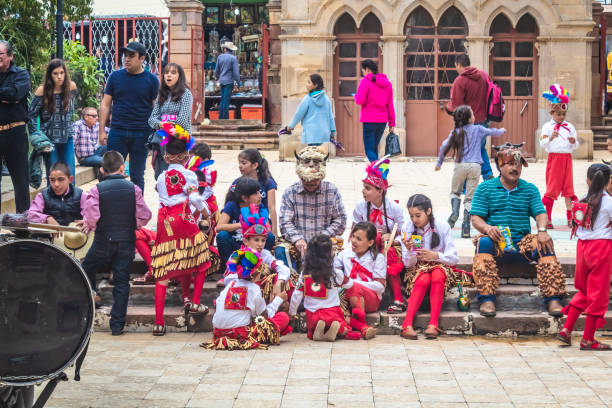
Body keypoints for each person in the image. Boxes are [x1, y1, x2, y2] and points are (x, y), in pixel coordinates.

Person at [469, 143, 566, 317]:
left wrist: (542, 231)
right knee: (482, 242)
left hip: (522, 244)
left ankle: (553, 298)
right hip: (496, 244)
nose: (515, 168)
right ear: (500, 165)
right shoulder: (485, 188)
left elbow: (540, 213)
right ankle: (486, 299)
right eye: (510, 164)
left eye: (518, 164)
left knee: (545, 243)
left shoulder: (529, 189)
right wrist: (487, 228)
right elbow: (475, 217)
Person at [150, 123, 212, 336]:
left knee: (164, 267)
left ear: (166, 157)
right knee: (202, 260)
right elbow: (195, 198)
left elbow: (161, 201)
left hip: (165, 221)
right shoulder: (189, 175)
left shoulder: (160, 178)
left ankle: (159, 323)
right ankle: (194, 302)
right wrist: (206, 214)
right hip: (183, 218)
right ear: (186, 156)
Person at [81, 151, 152, 336]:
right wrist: (133, 224)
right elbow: (145, 216)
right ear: (123, 167)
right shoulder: (133, 188)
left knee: (86, 267)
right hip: (126, 241)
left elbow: (91, 217)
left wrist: (89, 225)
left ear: (102, 170)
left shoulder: (97, 190)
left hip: (103, 240)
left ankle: (90, 300)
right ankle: (117, 325)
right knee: (122, 282)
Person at [556, 164, 612, 350]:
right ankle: (588, 339)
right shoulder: (609, 202)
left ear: (588, 180)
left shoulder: (581, 202)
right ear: (608, 181)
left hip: (583, 249)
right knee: (598, 295)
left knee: (585, 291)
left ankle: (566, 330)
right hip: (601, 248)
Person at [399, 194, 470, 340]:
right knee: (424, 279)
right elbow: (407, 264)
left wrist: (436, 256)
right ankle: (407, 325)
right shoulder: (407, 227)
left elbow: (453, 258)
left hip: (440, 266)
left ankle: (433, 324)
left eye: (418, 215)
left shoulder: (442, 226)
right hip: (417, 268)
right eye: (411, 216)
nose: (414, 220)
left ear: (428, 211)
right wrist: (410, 251)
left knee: (437, 275)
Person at [435, 105, 506, 238]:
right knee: (470, 198)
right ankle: (466, 227)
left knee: (455, 192)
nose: (474, 116)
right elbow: (492, 132)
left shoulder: (456, 131)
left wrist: (439, 163)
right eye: (472, 114)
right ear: (469, 118)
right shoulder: (478, 129)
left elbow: (444, 146)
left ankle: (454, 214)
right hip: (475, 167)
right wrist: (502, 130)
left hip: (460, 166)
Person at [201, 248, 291, 350]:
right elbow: (263, 318)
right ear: (256, 272)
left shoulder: (231, 284)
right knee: (283, 317)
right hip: (240, 336)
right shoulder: (254, 289)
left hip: (218, 334)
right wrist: (278, 300)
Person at [99, 41, 159, 191]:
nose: (127, 59)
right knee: (110, 172)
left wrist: (156, 133)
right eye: (125, 55)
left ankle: (137, 212)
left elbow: (156, 108)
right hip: (117, 130)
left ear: (142, 58)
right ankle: (109, 208)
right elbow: (105, 104)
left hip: (141, 133)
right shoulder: (115, 77)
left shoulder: (152, 80)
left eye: (132, 56)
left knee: (137, 175)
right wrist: (101, 131)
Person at [276, 146, 347, 269]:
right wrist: (298, 239)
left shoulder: (332, 190)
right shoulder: (290, 192)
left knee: (340, 256)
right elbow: (284, 222)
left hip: (324, 242)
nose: (310, 184)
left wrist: (322, 238)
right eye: (305, 181)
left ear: (321, 177)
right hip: (298, 244)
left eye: (314, 181)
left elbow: (341, 220)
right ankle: (291, 285)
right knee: (281, 251)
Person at [352, 155, 405, 313]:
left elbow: (405, 233)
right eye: (363, 187)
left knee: (389, 258)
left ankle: (398, 299)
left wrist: (392, 238)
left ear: (380, 191)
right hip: (366, 246)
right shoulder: (360, 207)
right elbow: (354, 231)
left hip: (389, 248)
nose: (363, 191)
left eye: (368, 188)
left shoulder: (394, 209)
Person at [289, 235, 361, 341]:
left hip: (312, 315)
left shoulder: (304, 274)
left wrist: (292, 312)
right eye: (332, 249)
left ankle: (316, 331)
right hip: (331, 313)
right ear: (327, 255)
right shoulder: (335, 273)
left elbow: (297, 294)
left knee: (313, 329)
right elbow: (349, 284)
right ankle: (337, 331)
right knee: (346, 329)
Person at [28, 58, 78, 181]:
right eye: (55, 73)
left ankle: (71, 200)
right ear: (50, 75)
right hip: (49, 140)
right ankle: (52, 200)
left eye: (61, 73)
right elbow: (31, 115)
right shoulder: (42, 90)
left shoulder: (71, 87)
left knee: (70, 175)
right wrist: (36, 136)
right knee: (53, 175)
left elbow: (71, 111)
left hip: (67, 137)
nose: (59, 76)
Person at [335, 222, 385, 339]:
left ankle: (354, 327)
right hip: (347, 297)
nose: (353, 240)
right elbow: (335, 275)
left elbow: (380, 286)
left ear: (370, 242)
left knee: (354, 287)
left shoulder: (378, 258)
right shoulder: (344, 255)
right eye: (353, 236)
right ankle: (363, 327)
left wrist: (353, 283)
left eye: (359, 239)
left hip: (371, 299)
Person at [446, 54, 492, 180]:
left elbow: (457, 106)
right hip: (483, 121)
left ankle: (466, 186)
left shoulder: (460, 81)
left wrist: (448, 108)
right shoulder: (483, 76)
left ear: (457, 64)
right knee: (480, 149)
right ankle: (488, 175)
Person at [540, 85, 579, 228]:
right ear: (552, 112)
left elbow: (576, 144)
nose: (561, 117)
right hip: (554, 159)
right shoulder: (547, 127)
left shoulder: (570, 126)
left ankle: (570, 218)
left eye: (563, 114)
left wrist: (574, 142)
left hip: (567, 159)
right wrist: (550, 138)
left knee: (569, 190)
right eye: (558, 114)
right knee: (552, 189)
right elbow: (542, 143)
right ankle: (548, 218)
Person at [0, 40, 31, 213]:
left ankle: (23, 227)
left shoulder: (21, 74)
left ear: (10, 56)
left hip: (15, 132)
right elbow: (8, 95)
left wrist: (10, 96)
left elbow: (14, 94)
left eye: (0, 54)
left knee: (20, 180)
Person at [148, 62, 193, 180]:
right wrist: (161, 124)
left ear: (179, 76)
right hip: (161, 143)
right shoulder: (161, 94)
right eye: (166, 73)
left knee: (177, 177)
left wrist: (163, 126)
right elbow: (151, 119)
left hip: (178, 142)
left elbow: (182, 121)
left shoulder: (186, 94)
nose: (169, 76)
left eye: (173, 73)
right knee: (161, 176)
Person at [217, 177, 274, 267]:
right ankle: (228, 268)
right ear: (244, 198)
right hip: (236, 244)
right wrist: (241, 225)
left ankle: (259, 267)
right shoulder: (232, 206)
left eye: (259, 192)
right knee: (222, 236)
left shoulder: (259, 206)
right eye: (255, 193)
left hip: (255, 244)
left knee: (270, 237)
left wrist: (256, 225)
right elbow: (219, 227)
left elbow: (268, 229)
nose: (260, 195)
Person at [354, 60, 395, 162]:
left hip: (369, 120)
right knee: (374, 147)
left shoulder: (365, 82)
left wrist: (355, 96)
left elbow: (360, 100)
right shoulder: (388, 84)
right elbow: (390, 105)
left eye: (363, 70)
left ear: (367, 69)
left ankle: (378, 170)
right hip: (382, 121)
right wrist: (392, 123)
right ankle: (375, 174)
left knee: (369, 149)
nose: (363, 73)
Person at [27, 162, 85, 226]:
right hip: (49, 235)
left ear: (70, 179)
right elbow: (31, 215)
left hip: (74, 234)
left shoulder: (80, 195)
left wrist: (87, 221)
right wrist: (47, 218)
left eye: (61, 179)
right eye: (52, 180)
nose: (56, 184)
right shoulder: (42, 196)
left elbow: (91, 214)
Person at [236, 148, 278, 236]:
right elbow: (231, 204)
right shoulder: (237, 182)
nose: (240, 166)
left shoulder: (268, 182)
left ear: (255, 165)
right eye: (239, 163)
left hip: (262, 221)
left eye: (243, 163)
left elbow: (272, 208)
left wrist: (274, 231)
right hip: (241, 222)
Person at [286, 74, 336, 146]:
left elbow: (298, 114)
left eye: (309, 82)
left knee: (311, 155)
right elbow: (330, 117)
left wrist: (290, 126)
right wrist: (333, 131)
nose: (306, 85)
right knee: (319, 155)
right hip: (323, 134)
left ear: (315, 85)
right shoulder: (326, 99)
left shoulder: (308, 98)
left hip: (311, 133)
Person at [214, 41, 240, 120]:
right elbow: (236, 73)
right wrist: (238, 82)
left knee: (222, 99)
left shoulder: (220, 57)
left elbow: (216, 71)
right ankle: (225, 118)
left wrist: (218, 77)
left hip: (222, 81)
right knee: (226, 100)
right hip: (229, 81)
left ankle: (221, 117)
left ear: (225, 49)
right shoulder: (233, 58)